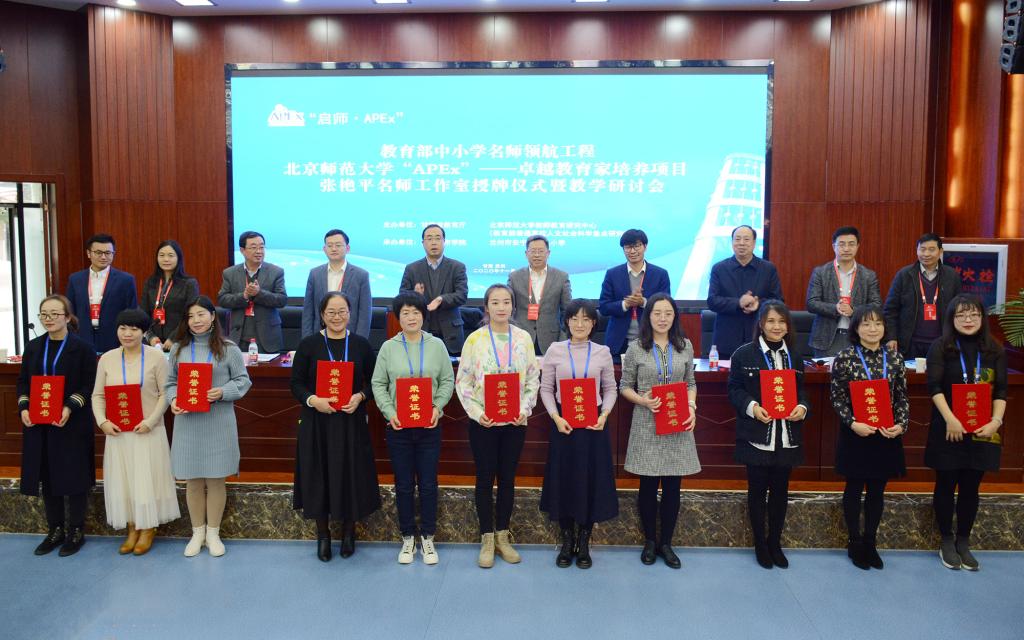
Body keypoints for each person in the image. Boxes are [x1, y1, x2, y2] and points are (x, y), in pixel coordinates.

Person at [455, 284, 540, 568]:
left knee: (507, 478)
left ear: (513, 306)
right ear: (486, 307)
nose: (501, 307)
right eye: (495, 302)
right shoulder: (475, 340)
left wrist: (524, 409)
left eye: (506, 302)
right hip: (484, 423)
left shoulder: (523, 338)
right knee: (484, 478)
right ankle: (487, 538)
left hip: (515, 422)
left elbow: (532, 379)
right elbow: (463, 381)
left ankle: (503, 535)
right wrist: (478, 413)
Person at [290, 292, 379, 562]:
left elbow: (374, 382)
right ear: (322, 315)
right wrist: (313, 400)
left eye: (342, 311)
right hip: (317, 423)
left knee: (351, 475)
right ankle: (323, 534)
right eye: (331, 312)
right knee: (319, 476)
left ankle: (349, 532)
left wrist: (360, 396)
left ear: (350, 314)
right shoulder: (308, 345)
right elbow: (296, 383)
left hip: (350, 422)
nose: (337, 317)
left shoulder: (361, 345)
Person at [371, 292, 455, 566]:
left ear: (423, 315)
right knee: (404, 484)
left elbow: (447, 380)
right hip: (399, 427)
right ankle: (407, 536)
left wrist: (437, 408)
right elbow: (378, 384)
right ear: (398, 317)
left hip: (429, 425)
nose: (411, 317)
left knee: (428, 483)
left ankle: (428, 536)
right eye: (405, 312)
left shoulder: (437, 345)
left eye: (416, 312)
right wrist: (390, 412)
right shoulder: (388, 347)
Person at [925, 295, 1007, 571]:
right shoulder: (941, 347)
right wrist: (950, 419)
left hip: (983, 430)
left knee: (972, 487)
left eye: (973, 315)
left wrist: (996, 421)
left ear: (982, 318)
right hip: (949, 429)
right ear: (952, 319)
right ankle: (946, 540)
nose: (968, 320)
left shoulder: (995, 349)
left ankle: (963, 541)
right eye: (961, 315)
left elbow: (1001, 390)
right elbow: (934, 387)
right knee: (946, 484)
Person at [166, 295, 252, 557]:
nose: (196, 320)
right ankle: (197, 533)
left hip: (218, 422)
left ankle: (213, 533)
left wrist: (222, 391)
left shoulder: (229, 349)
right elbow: (170, 383)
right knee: (193, 480)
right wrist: (173, 400)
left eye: (201, 314)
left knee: (215, 480)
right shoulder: (178, 349)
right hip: (188, 422)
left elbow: (243, 381)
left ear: (213, 316)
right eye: (191, 316)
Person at [619, 293, 699, 569]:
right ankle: (650, 542)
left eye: (668, 313)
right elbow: (624, 386)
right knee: (648, 485)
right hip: (647, 421)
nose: (662, 318)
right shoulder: (636, 348)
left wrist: (692, 407)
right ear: (648, 316)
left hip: (677, 421)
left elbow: (690, 382)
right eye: (657, 313)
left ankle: (666, 542)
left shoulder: (685, 346)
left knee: (673, 486)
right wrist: (642, 400)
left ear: (675, 316)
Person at [727, 301, 809, 569]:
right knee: (757, 492)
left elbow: (802, 390)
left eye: (782, 321)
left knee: (780, 493)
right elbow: (734, 390)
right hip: (758, 435)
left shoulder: (795, 356)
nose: (777, 326)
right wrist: (753, 407)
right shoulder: (744, 354)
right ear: (761, 324)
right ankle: (760, 545)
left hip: (786, 436)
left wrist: (802, 407)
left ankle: (775, 542)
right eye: (771, 321)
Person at [91, 308, 180, 555]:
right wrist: (102, 421)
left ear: (143, 332)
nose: (127, 334)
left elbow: (165, 393)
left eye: (134, 329)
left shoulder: (156, 357)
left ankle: (148, 527)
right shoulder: (107, 358)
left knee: (147, 479)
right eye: (123, 328)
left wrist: (151, 421)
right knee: (125, 481)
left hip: (147, 430)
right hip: (118, 433)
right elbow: (97, 395)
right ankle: (132, 526)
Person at [16, 295, 98, 556]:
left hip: (71, 422)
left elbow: (89, 385)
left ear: (67, 317)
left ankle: (76, 530)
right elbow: (23, 382)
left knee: (74, 476)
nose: (48, 319)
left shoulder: (82, 348)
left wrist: (69, 407)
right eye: (44, 314)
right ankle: (55, 529)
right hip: (39, 422)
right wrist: (24, 407)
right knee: (48, 476)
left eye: (54, 314)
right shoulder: (33, 347)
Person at [539, 299, 618, 569]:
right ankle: (566, 540)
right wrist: (556, 417)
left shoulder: (603, 352)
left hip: (594, 424)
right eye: (574, 319)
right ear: (567, 322)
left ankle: (584, 540)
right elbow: (546, 389)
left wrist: (604, 415)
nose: (580, 324)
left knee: (589, 480)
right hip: (563, 423)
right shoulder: (555, 350)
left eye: (586, 319)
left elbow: (610, 389)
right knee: (564, 479)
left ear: (594, 323)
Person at [829, 305, 908, 570]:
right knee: (853, 488)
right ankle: (854, 542)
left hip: (886, 434)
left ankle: (871, 542)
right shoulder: (845, 357)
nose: (872, 329)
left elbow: (901, 396)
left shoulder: (895, 359)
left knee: (877, 491)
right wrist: (853, 423)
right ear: (856, 328)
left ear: (884, 328)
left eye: (877, 324)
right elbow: (837, 397)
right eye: (866, 324)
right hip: (856, 433)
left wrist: (901, 424)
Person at [707, 225, 784, 359]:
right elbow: (712, 301)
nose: (741, 243)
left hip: (759, 337)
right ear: (732, 242)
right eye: (737, 239)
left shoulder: (768, 269)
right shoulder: (719, 268)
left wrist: (758, 304)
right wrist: (738, 303)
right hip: (727, 339)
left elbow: (778, 301)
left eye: (746, 239)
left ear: (754, 243)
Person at [884, 232, 963, 359]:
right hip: (909, 344)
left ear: (940, 251)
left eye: (931, 249)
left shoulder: (952, 276)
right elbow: (890, 310)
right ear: (917, 250)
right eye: (922, 249)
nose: (926, 254)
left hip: (941, 343)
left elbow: (959, 310)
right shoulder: (904, 275)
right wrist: (891, 337)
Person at [806, 226, 882, 357]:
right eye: (841, 244)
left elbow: (876, 305)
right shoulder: (821, 272)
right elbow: (811, 303)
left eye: (851, 244)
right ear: (833, 246)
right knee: (827, 371)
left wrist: (854, 311)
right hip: (826, 338)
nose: (846, 249)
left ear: (857, 246)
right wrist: (835, 308)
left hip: (859, 337)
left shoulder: (868, 275)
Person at [598, 229, 671, 357]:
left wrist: (643, 302)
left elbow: (667, 307)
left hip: (651, 339)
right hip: (619, 341)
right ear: (623, 249)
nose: (632, 251)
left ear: (645, 247)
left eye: (637, 246)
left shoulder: (660, 274)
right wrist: (625, 304)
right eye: (628, 247)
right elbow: (604, 307)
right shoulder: (613, 274)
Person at [399, 224, 468, 354]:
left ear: (444, 241)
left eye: (437, 238)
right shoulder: (412, 269)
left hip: (450, 334)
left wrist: (441, 299)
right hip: (421, 330)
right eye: (429, 238)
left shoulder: (457, 267)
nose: (434, 242)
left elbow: (462, 295)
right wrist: (415, 296)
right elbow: (402, 297)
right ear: (423, 243)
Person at [65, 233, 138, 353]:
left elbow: (132, 312)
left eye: (108, 253)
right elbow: (70, 312)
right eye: (98, 252)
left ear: (113, 254)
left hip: (114, 340)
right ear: (89, 253)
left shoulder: (126, 280)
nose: (103, 257)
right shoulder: (75, 279)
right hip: (82, 338)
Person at [217, 230, 287, 354]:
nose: (259, 251)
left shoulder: (276, 272)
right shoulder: (230, 273)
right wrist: (244, 296)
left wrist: (259, 293)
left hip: (267, 336)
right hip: (239, 335)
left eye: (261, 247)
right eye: (253, 247)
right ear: (242, 250)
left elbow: (282, 300)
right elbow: (222, 299)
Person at [507, 235, 573, 355]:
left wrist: (563, 340)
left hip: (552, 340)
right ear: (526, 253)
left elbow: (567, 311)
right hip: (520, 339)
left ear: (548, 253)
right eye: (533, 251)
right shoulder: (515, 277)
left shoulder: (561, 277)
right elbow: (508, 309)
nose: (537, 255)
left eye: (541, 251)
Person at [301, 229, 373, 339]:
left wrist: (359, 341)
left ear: (347, 248)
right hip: (320, 335)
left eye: (338, 245)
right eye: (330, 245)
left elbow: (365, 313)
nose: (334, 249)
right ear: (324, 249)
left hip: (350, 336)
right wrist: (307, 340)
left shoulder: (361, 275)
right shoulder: (315, 274)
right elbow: (308, 311)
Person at [140, 240, 200, 352]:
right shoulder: (150, 282)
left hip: (180, 342)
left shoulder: (189, 283)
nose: (166, 259)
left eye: (170, 255)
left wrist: (174, 338)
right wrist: (151, 337)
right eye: (162, 255)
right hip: (153, 344)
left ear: (178, 258)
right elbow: (143, 314)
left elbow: (190, 315)